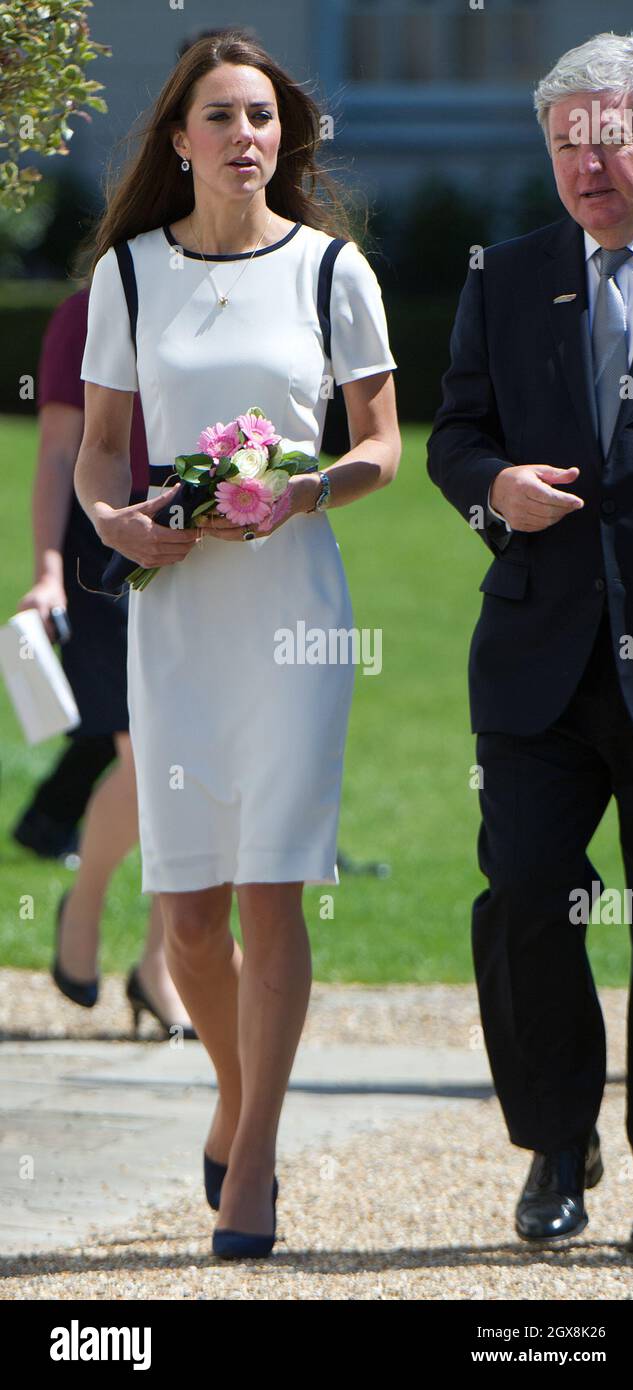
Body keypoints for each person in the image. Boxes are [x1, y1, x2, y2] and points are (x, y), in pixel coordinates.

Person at [74, 27, 400, 1260]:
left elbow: (379, 445)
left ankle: (252, 1155)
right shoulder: (130, 275)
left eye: (261, 116)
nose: (245, 136)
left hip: (294, 618)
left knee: (271, 893)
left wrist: (299, 490)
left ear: (282, 136)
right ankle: (230, 1085)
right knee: (189, 920)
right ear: (179, 140)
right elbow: (108, 446)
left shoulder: (332, 270)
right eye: (221, 116)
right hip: (175, 618)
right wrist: (116, 520)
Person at [427, 30, 633, 1253]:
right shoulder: (508, 275)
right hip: (535, 664)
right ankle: (554, 1145)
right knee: (526, 891)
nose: (584, 169)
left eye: (607, 142)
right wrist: (491, 489)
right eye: (564, 147)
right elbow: (452, 435)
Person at [16, 287, 195, 1038]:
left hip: (202, 545)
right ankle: (86, 899)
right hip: (106, 553)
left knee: (190, 764)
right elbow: (59, 452)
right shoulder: (84, 313)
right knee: (154, 758)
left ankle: (161, 964)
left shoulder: (223, 299)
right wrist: (49, 568)